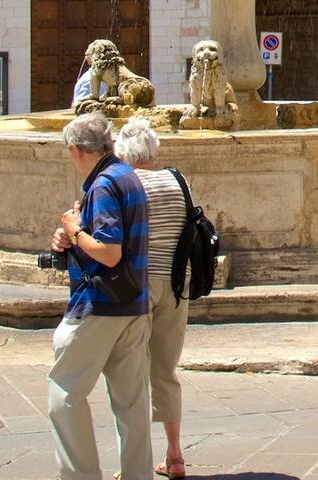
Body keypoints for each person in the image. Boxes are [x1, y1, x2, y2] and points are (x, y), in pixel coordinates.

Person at [46, 113, 153, 480]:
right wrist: (73, 236)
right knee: (132, 403)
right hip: (134, 302)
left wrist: (75, 232)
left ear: (76, 150)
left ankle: (80, 475)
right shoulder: (127, 176)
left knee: (64, 396)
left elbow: (109, 251)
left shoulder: (104, 185)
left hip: (99, 306)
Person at [113, 118, 193, 479]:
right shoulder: (178, 181)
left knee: (131, 372)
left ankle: (136, 464)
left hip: (138, 284)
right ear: (154, 149)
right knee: (165, 370)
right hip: (176, 284)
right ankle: (175, 456)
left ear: (122, 152)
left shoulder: (126, 184)